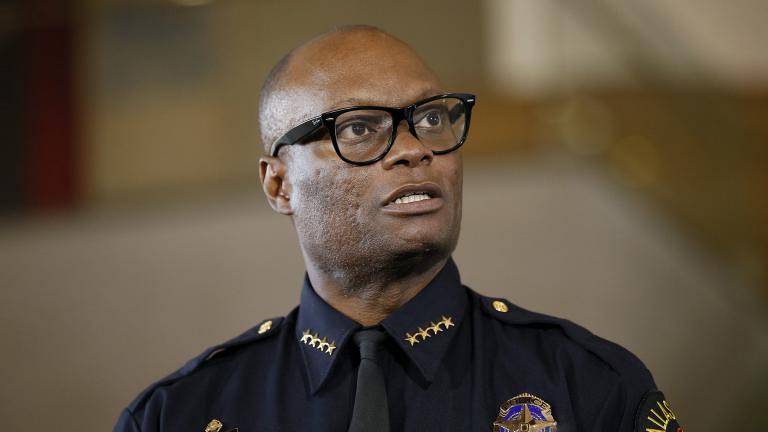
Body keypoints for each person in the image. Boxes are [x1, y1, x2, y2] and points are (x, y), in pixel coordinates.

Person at [113, 25, 682, 432]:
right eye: (359, 129)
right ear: (280, 185)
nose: (414, 149)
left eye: (431, 118)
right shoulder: (178, 414)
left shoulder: (586, 384)